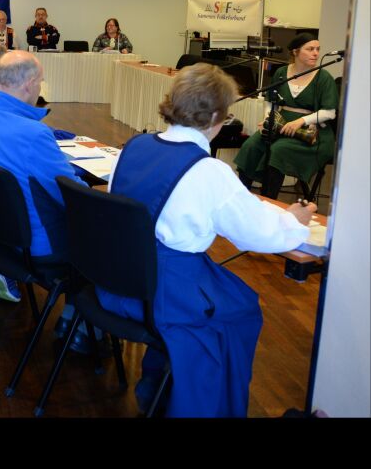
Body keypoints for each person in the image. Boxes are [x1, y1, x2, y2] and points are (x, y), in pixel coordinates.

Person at [100, 63, 314, 417]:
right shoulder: (209, 171)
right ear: (217, 115)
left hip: (117, 280)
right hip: (165, 292)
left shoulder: (132, 147)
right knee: (241, 310)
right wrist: (294, 221)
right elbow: (258, 232)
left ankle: (157, 386)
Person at [0, 51, 84, 302]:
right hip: (37, 247)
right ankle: (76, 327)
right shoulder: (34, 134)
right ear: (29, 85)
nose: (41, 87)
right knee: (108, 237)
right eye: (41, 81)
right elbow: (74, 197)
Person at [234, 33, 337, 198]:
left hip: (311, 133)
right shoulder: (281, 72)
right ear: (295, 52)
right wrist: (269, 119)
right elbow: (271, 101)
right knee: (251, 145)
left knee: (278, 150)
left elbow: (330, 112)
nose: (316, 53)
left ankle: (269, 202)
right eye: (310, 49)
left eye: (318, 49)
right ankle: (240, 198)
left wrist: (300, 121)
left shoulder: (323, 78)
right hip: (280, 125)